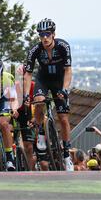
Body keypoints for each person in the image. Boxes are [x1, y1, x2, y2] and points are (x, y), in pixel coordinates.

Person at [24, 18, 74, 171]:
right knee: (39, 101)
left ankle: (66, 154)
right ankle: (40, 134)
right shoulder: (35, 50)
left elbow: (68, 70)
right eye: (41, 35)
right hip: (43, 79)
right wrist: (26, 94)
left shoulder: (63, 46)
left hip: (59, 81)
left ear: (53, 34)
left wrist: (64, 90)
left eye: (47, 34)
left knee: (63, 118)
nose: (44, 38)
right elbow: (28, 74)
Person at [14, 64, 37, 171]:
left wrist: (34, 118)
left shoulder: (33, 86)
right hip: (15, 112)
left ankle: (31, 171)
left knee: (29, 146)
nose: (22, 81)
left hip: (28, 113)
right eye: (20, 78)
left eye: (24, 78)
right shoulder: (14, 86)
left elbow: (39, 105)